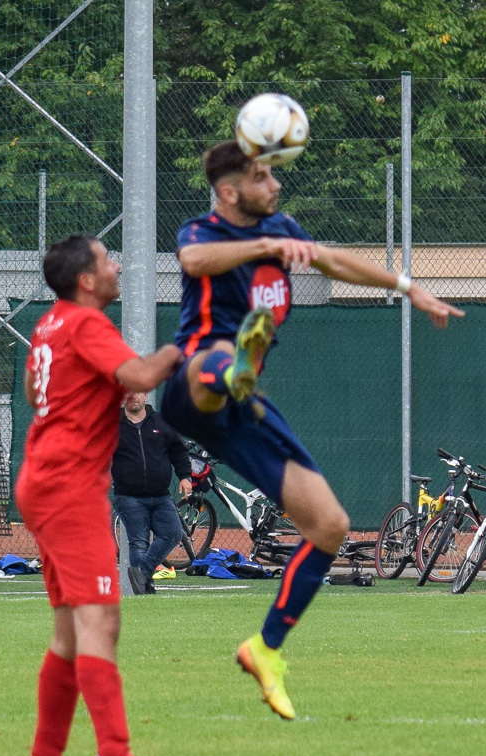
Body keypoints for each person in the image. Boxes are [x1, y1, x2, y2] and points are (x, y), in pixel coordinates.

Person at [161, 140, 463, 719]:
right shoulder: (203, 231)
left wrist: (408, 288)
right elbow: (195, 262)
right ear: (229, 192)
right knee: (213, 355)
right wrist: (267, 246)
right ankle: (234, 367)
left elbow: (333, 261)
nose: (275, 184)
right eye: (262, 176)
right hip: (191, 390)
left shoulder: (281, 228)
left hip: (244, 412)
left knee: (329, 525)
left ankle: (265, 648)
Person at [12, 234, 187, 756]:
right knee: (101, 622)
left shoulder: (50, 324)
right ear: (86, 280)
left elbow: (42, 391)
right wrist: (185, 346)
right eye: (107, 259)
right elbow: (140, 373)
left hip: (46, 480)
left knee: (70, 634)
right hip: (68, 487)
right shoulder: (85, 323)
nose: (117, 266)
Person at [112, 391, 193, 594]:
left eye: (137, 392)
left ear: (146, 395)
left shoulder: (161, 422)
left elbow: (178, 451)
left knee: (173, 533)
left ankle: (142, 574)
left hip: (161, 495)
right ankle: (145, 590)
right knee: (139, 543)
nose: (133, 396)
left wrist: (185, 477)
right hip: (128, 496)